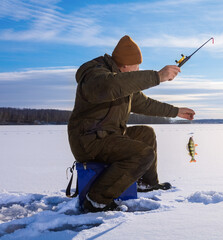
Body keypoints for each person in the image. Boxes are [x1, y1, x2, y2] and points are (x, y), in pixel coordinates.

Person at [67, 35, 195, 212]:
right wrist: (157, 76)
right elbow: (110, 86)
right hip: (89, 140)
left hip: (109, 136)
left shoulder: (122, 81)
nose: (138, 69)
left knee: (146, 133)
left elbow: (144, 103)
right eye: (137, 66)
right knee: (142, 154)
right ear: (126, 65)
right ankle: (96, 200)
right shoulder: (94, 76)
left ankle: (146, 184)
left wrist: (176, 111)